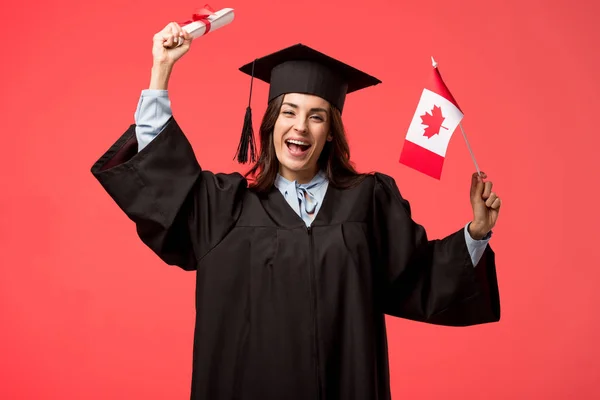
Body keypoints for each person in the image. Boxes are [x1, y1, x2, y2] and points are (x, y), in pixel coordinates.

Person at [91, 22, 502, 400]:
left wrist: (476, 234)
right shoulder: (223, 205)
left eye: (316, 116)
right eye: (289, 112)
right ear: (270, 123)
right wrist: (160, 72)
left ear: (330, 132)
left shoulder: (368, 201)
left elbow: (416, 275)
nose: (300, 127)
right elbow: (163, 184)